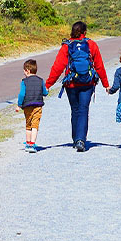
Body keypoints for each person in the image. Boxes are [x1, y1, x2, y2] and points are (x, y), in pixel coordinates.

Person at [45, 21, 110, 152]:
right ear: (84, 32)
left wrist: (48, 85)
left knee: (75, 110)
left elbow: (57, 67)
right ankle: (81, 140)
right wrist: (106, 84)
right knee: (83, 110)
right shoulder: (91, 44)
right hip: (87, 83)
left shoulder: (67, 46)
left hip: (71, 84)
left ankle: (76, 139)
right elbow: (99, 66)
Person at [15, 58, 48, 152]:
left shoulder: (24, 82)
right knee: (35, 125)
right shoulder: (41, 80)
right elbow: (44, 92)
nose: (24, 74)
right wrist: (47, 91)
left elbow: (22, 94)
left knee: (28, 125)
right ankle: (33, 144)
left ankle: (28, 143)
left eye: (24, 72)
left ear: (28, 70)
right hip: (38, 105)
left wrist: (19, 105)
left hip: (27, 106)